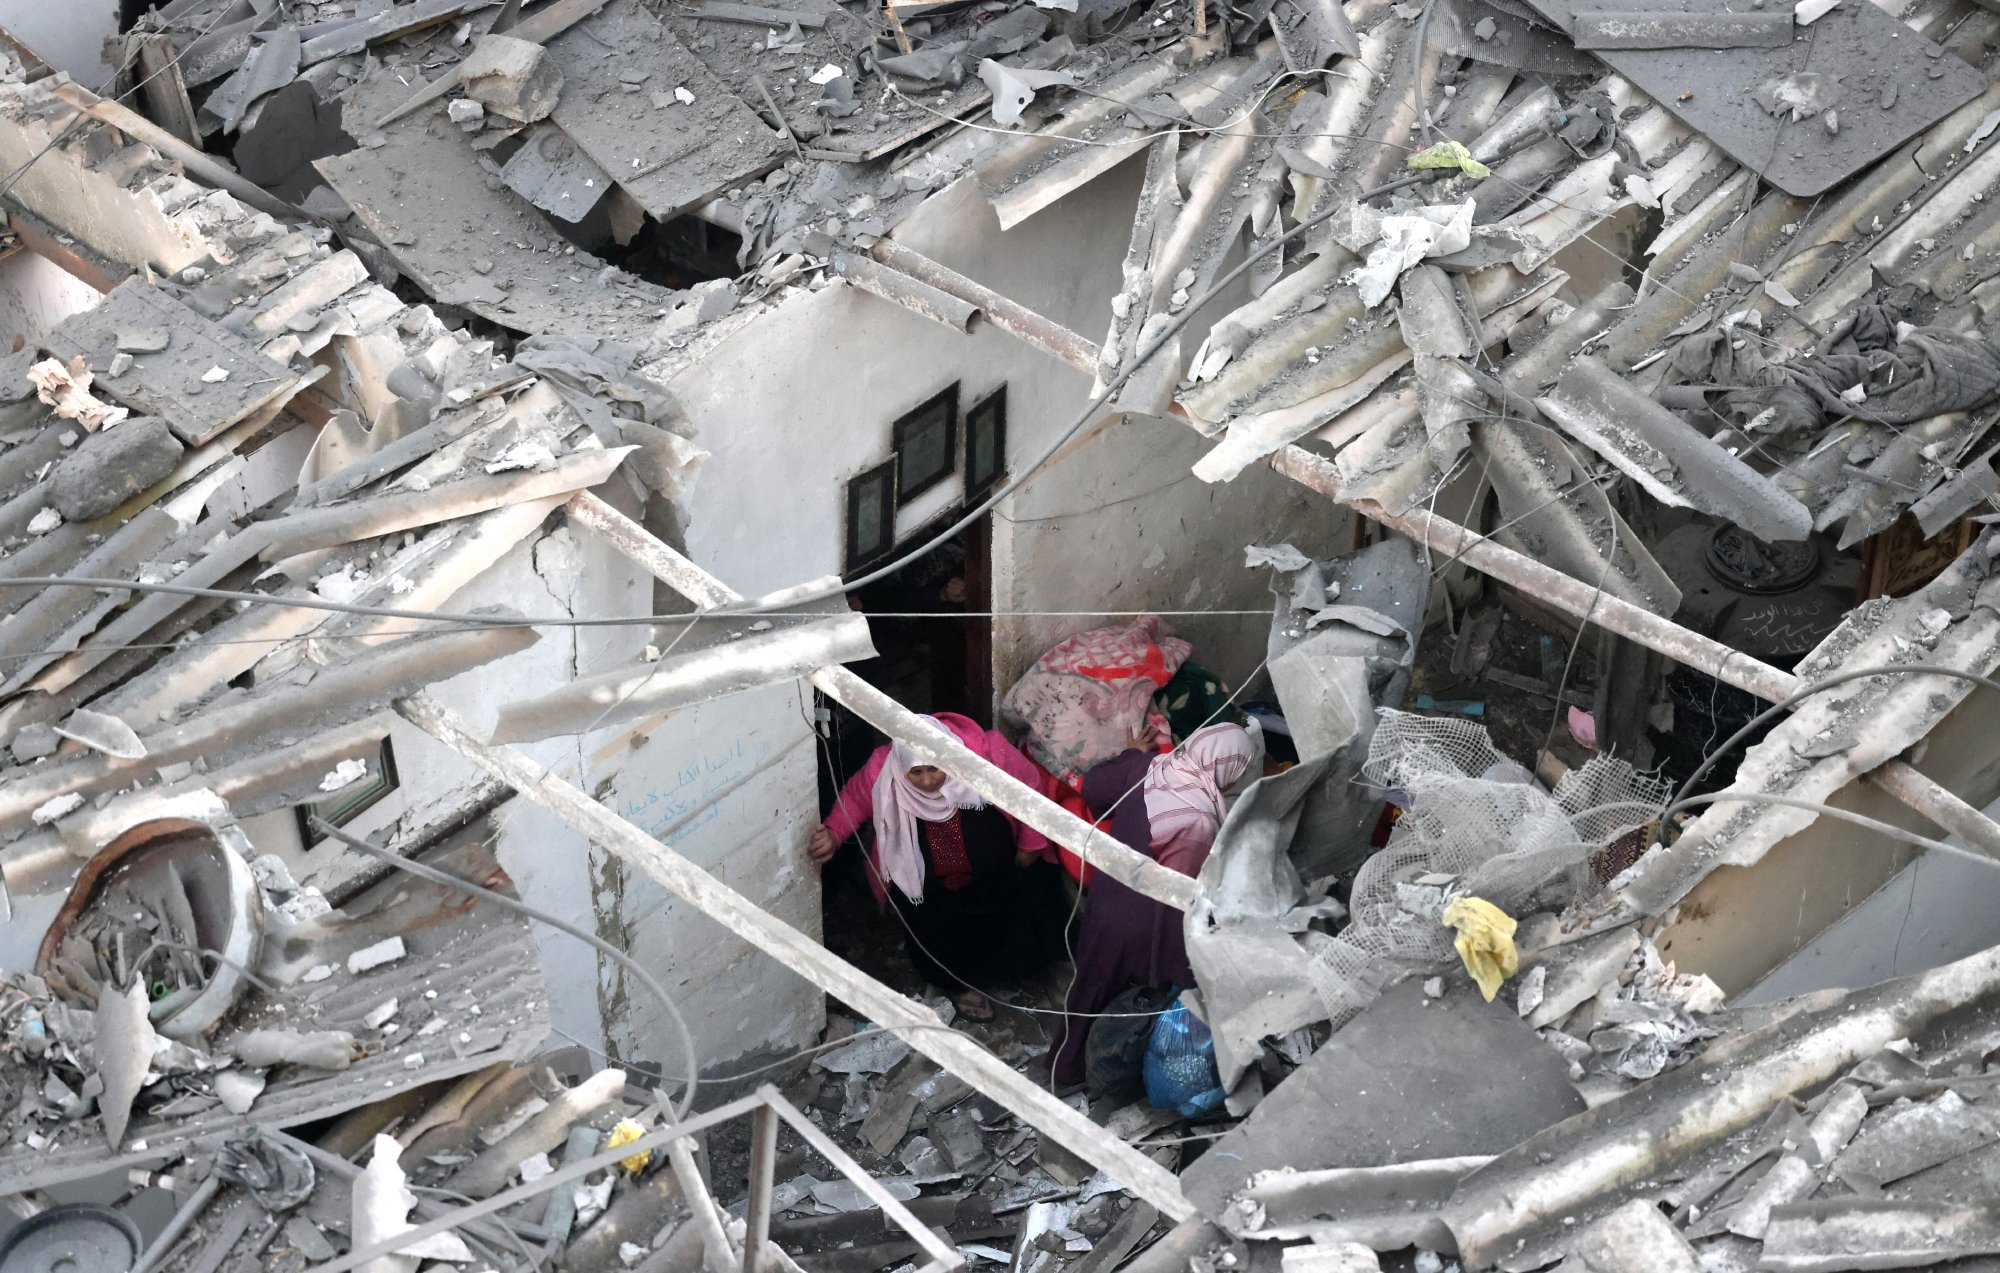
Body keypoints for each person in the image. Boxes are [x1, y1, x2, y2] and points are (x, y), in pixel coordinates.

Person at [808, 713, 1063, 1022]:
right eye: (916, 773)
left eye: (935, 769)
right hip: (928, 888)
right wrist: (834, 833)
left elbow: (1028, 788)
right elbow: (856, 799)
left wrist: (1031, 843)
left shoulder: (985, 753)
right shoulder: (884, 767)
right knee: (936, 927)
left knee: (1000, 915)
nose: (928, 782)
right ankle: (956, 984)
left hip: (992, 874)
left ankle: (995, 971)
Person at [1053, 722, 1259, 1088]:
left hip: (1106, 903)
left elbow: (1096, 790)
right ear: (1230, 768)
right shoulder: (1199, 816)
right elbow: (1181, 890)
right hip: (1147, 923)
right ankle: (1120, 1076)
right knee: (1145, 1004)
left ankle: (1064, 1067)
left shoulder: (1152, 768)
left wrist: (1132, 753)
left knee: (1090, 987)